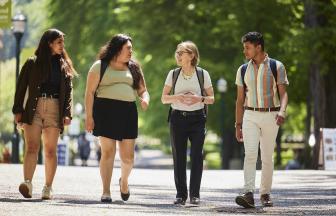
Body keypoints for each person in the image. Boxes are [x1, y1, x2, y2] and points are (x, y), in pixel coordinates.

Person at [85, 34, 149, 203]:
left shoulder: (134, 67)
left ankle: (124, 181)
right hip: (104, 111)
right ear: (117, 48)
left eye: (131, 48)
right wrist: (89, 116)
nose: (131, 51)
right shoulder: (100, 66)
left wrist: (145, 99)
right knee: (108, 152)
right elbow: (90, 93)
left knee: (128, 158)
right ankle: (106, 191)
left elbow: (143, 90)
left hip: (128, 112)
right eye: (128, 48)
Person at [12, 29, 76, 199]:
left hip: (55, 108)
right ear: (49, 43)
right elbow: (21, 88)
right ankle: (27, 183)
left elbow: (68, 92)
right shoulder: (32, 63)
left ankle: (48, 187)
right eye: (59, 42)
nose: (62, 45)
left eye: (62, 42)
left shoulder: (64, 65)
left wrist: (67, 113)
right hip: (34, 107)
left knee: (50, 150)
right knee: (32, 147)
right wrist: (18, 110)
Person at [234, 32, 289, 208]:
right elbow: (240, 100)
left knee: (266, 157)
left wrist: (282, 111)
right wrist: (238, 124)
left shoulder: (276, 66)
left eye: (247, 47)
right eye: (244, 48)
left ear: (259, 47)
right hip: (250, 114)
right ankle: (248, 192)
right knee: (250, 153)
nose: (245, 51)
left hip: (271, 116)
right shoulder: (243, 69)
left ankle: (265, 193)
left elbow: (284, 94)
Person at [161, 41, 214, 205]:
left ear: (191, 55)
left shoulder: (203, 74)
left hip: (198, 119)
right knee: (179, 157)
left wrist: (199, 99)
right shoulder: (173, 74)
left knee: (197, 156)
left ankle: (195, 195)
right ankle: (181, 195)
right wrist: (178, 97)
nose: (177, 55)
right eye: (177, 52)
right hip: (178, 119)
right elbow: (164, 98)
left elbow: (212, 99)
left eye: (181, 52)